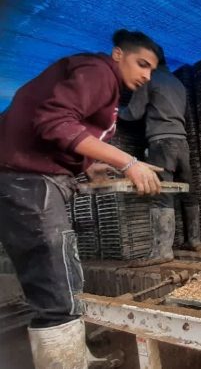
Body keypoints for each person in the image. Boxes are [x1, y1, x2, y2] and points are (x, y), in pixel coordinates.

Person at [0, 29, 162, 368]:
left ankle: (77, 357)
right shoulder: (99, 72)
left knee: (65, 279)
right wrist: (128, 162)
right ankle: (65, 363)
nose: (146, 75)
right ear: (118, 54)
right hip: (27, 180)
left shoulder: (107, 88)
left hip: (35, 179)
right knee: (56, 291)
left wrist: (88, 167)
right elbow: (53, 121)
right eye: (142, 64)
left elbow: (72, 131)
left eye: (152, 71)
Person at [119, 45, 201, 268]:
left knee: (161, 192)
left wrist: (114, 111)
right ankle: (194, 240)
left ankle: (162, 251)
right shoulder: (178, 84)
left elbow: (134, 112)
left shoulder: (150, 78)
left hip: (161, 142)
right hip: (181, 142)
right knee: (188, 191)